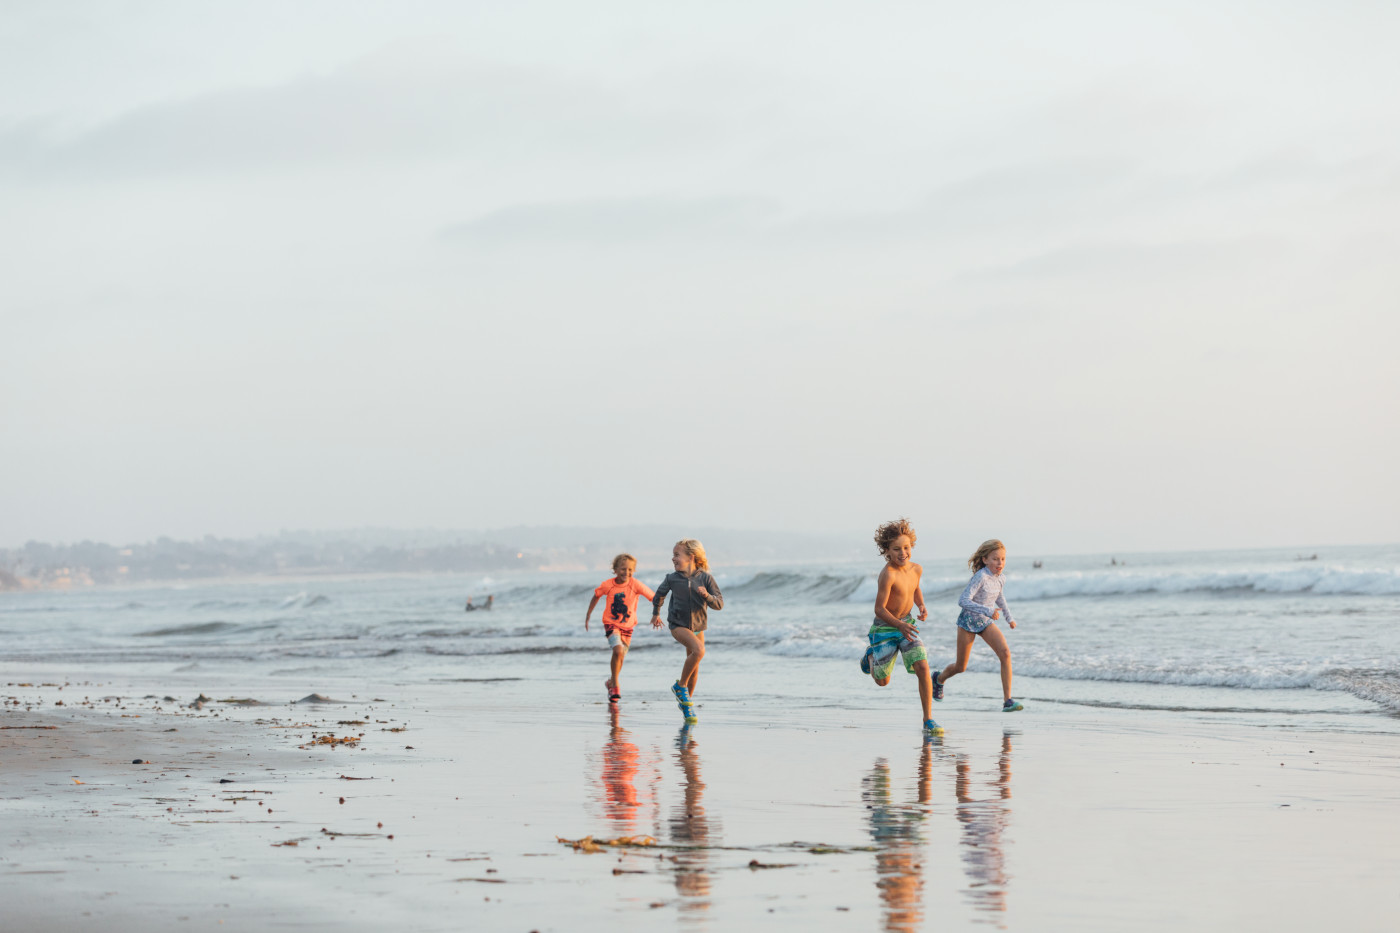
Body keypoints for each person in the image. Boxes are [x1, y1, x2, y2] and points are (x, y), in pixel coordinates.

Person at [861, 518, 941, 734]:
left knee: (923, 666)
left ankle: (928, 719)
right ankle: (870, 657)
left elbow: (914, 589)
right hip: (885, 627)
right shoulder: (888, 574)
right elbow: (879, 609)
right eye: (896, 549)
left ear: (911, 546)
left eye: (906, 547)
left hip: (907, 624)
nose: (902, 553)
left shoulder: (916, 569)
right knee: (882, 681)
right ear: (886, 550)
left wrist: (921, 605)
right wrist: (898, 625)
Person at [933, 539, 1023, 712]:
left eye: (1003, 559)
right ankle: (939, 678)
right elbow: (963, 600)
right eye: (996, 559)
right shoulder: (980, 576)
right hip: (968, 622)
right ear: (985, 559)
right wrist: (987, 610)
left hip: (985, 622)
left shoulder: (1000, 578)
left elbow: (999, 597)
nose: (1000, 563)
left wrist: (1009, 618)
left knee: (1005, 653)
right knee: (961, 667)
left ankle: (1007, 700)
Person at [651, 539, 723, 724]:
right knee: (699, 651)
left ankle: (686, 705)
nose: (673, 558)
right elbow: (659, 595)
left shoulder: (705, 578)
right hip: (678, 625)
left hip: (698, 628)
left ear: (691, 557)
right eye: (673, 554)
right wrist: (656, 614)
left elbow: (719, 604)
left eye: (677, 555)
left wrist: (707, 596)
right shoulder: (672, 578)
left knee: (695, 665)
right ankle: (680, 686)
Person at [584, 554, 655, 702]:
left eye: (630, 569)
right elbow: (596, 595)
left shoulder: (635, 584)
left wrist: (657, 614)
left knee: (620, 656)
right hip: (611, 623)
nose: (626, 572)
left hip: (628, 626)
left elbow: (654, 598)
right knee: (618, 650)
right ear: (615, 570)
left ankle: (610, 682)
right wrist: (588, 615)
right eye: (623, 569)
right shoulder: (608, 584)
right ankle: (615, 685)